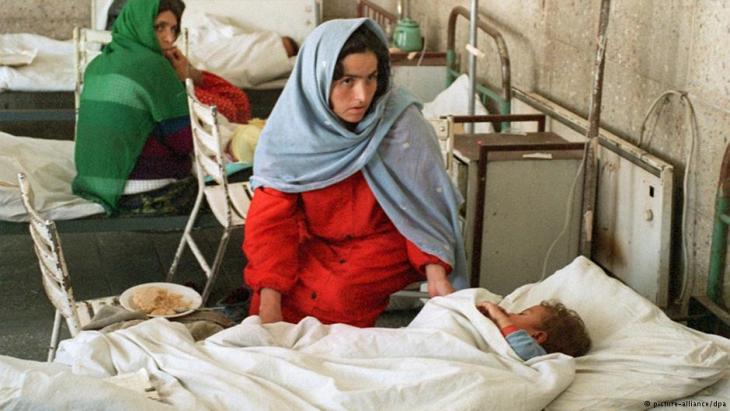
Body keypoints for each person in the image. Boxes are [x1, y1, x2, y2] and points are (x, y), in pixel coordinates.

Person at [243, 18, 468, 328]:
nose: (363, 96)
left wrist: (435, 272)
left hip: (387, 239)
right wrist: (269, 297)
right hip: (317, 238)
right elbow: (271, 221)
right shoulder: (291, 132)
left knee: (337, 294)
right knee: (270, 302)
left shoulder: (400, 123)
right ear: (317, 79)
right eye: (347, 81)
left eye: (371, 78)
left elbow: (422, 206)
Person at [73, 0, 250, 214]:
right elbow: (186, 141)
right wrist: (186, 81)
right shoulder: (154, 67)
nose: (169, 38)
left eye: (173, 29)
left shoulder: (99, 63)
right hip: (145, 197)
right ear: (138, 24)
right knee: (249, 178)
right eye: (159, 27)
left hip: (97, 185)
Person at [477, 300, 591, 360]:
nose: (511, 313)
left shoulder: (535, 354)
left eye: (521, 314)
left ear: (536, 336)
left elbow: (522, 348)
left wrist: (499, 317)